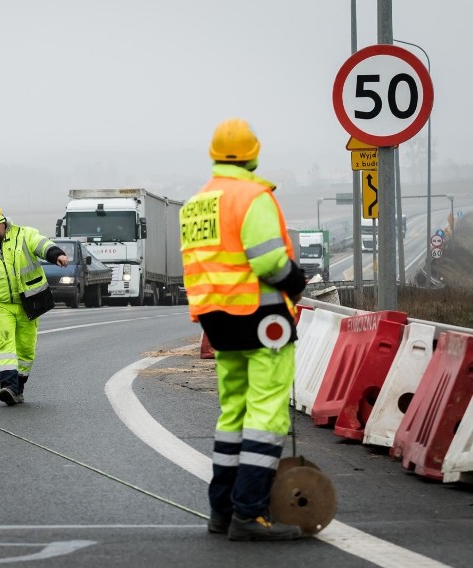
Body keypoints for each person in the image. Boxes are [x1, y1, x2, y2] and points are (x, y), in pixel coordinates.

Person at [179, 118, 306, 541]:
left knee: (232, 412)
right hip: (261, 315)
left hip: (217, 318)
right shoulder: (253, 196)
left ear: (215, 155)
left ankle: (221, 511)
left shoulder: (197, 203)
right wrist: (295, 280)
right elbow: (268, 260)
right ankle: (248, 513)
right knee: (266, 413)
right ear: (253, 154)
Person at [0, 200, 68, 405]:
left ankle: (18, 387)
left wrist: (56, 254)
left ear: (3, 222)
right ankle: (8, 386)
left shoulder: (23, 234)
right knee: (5, 342)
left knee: (26, 348)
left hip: (28, 302)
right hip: (0, 304)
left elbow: (41, 244)